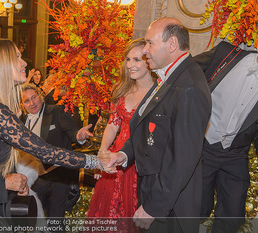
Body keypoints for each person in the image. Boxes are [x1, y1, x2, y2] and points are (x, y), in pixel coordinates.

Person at [0, 38, 109, 218]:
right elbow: (45, 152)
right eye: (17, 57)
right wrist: (97, 162)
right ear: (1, 65)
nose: (24, 62)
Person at [107, 17, 212, 233]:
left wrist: (154, 207)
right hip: (155, 190)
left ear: (172, 44)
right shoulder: (168, 77)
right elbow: (149, 128)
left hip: (170, 206)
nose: (145, 50)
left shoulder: (188, 87)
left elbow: (183, 158)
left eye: (149, 43)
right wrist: (125, 154)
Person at [87, 38, 154, 224]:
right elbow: (113, 123)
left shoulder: (158, 92)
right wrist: (102, 152)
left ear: (149, 61)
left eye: (137, 60)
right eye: (128, 59)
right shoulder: (122, 88)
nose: (130, 65)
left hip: (141, 158)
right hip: (116, 156)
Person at [194, 41, 258, 233]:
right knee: (198, 209)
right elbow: (187, 71)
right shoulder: (225, 53)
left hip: (236, 153)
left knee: (232, 215)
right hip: (204, 147)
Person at [19, 83, 93, 221]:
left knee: (56, 221)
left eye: (34, 97)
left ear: (40, 95)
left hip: (58, 176)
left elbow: (72, 132)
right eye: (27, 101)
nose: (32, 103)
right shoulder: (20, 122)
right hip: (33, 180)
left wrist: (79, 135)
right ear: (22, 105)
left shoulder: (56, 111)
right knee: (33, 219)